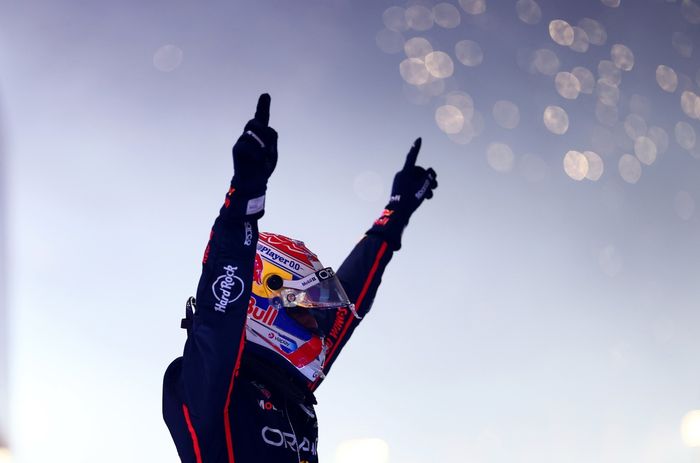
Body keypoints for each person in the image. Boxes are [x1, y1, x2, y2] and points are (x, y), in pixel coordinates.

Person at [163, 94, 438, 463]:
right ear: (262, 300)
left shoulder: (292, 386)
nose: (317, 325)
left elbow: (350, 303)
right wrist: (244, 197)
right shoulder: (210, 384)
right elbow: (219, 313)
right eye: (306, 309)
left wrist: (395, 214)